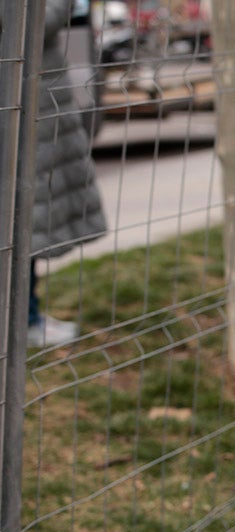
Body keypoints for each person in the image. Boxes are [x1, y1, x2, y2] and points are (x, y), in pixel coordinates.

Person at [20, 0, 108, 347]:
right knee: (22, 220)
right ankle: (24, 321)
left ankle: (28, 315)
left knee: (29, 222)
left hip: (35, 103)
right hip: (25, 104)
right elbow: (32, 23)